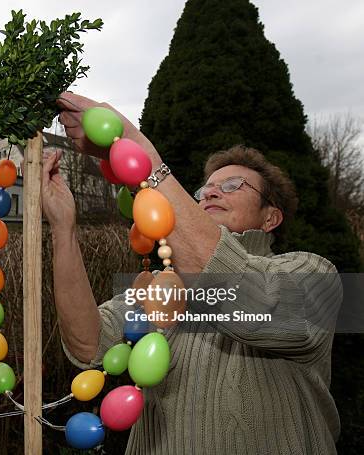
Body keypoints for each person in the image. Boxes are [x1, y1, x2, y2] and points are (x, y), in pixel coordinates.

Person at [42, 92, 342, 454]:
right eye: (204, 189)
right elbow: (88, 344)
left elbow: (240, 287)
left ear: (271, 217)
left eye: (232, 186)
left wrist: (140, 154)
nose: (211, 193)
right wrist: (63, 227)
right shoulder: (161, 288)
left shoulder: (312, 273)